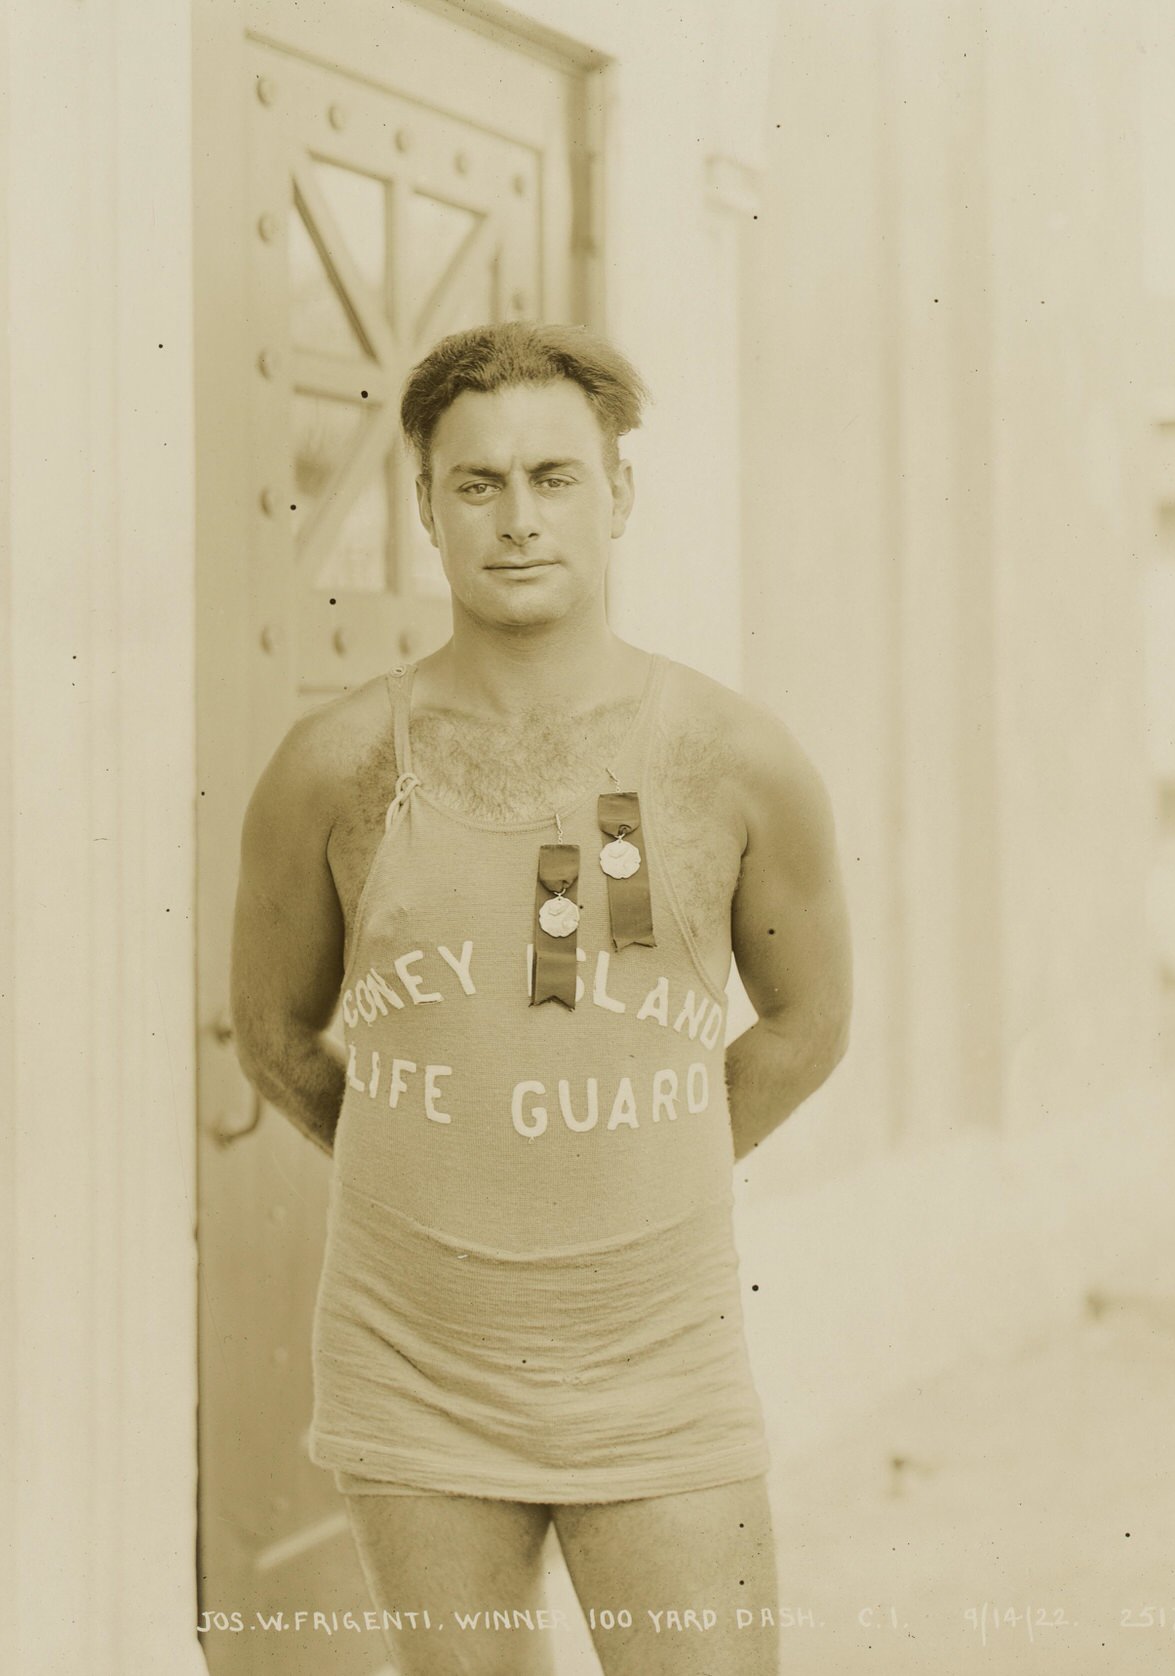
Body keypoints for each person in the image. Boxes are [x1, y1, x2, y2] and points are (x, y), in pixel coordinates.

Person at [231, 320, 852, 1676]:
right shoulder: (332, 763)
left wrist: (643, 1157)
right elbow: (277, 1035)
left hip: (659, 1361)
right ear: (426, 510)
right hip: (416, 1362)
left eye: (554, 478)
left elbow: (809, 1025)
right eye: (478, 484)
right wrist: (452, 1150)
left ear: (618, 495)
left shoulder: (735, 758)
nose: (518, 520)